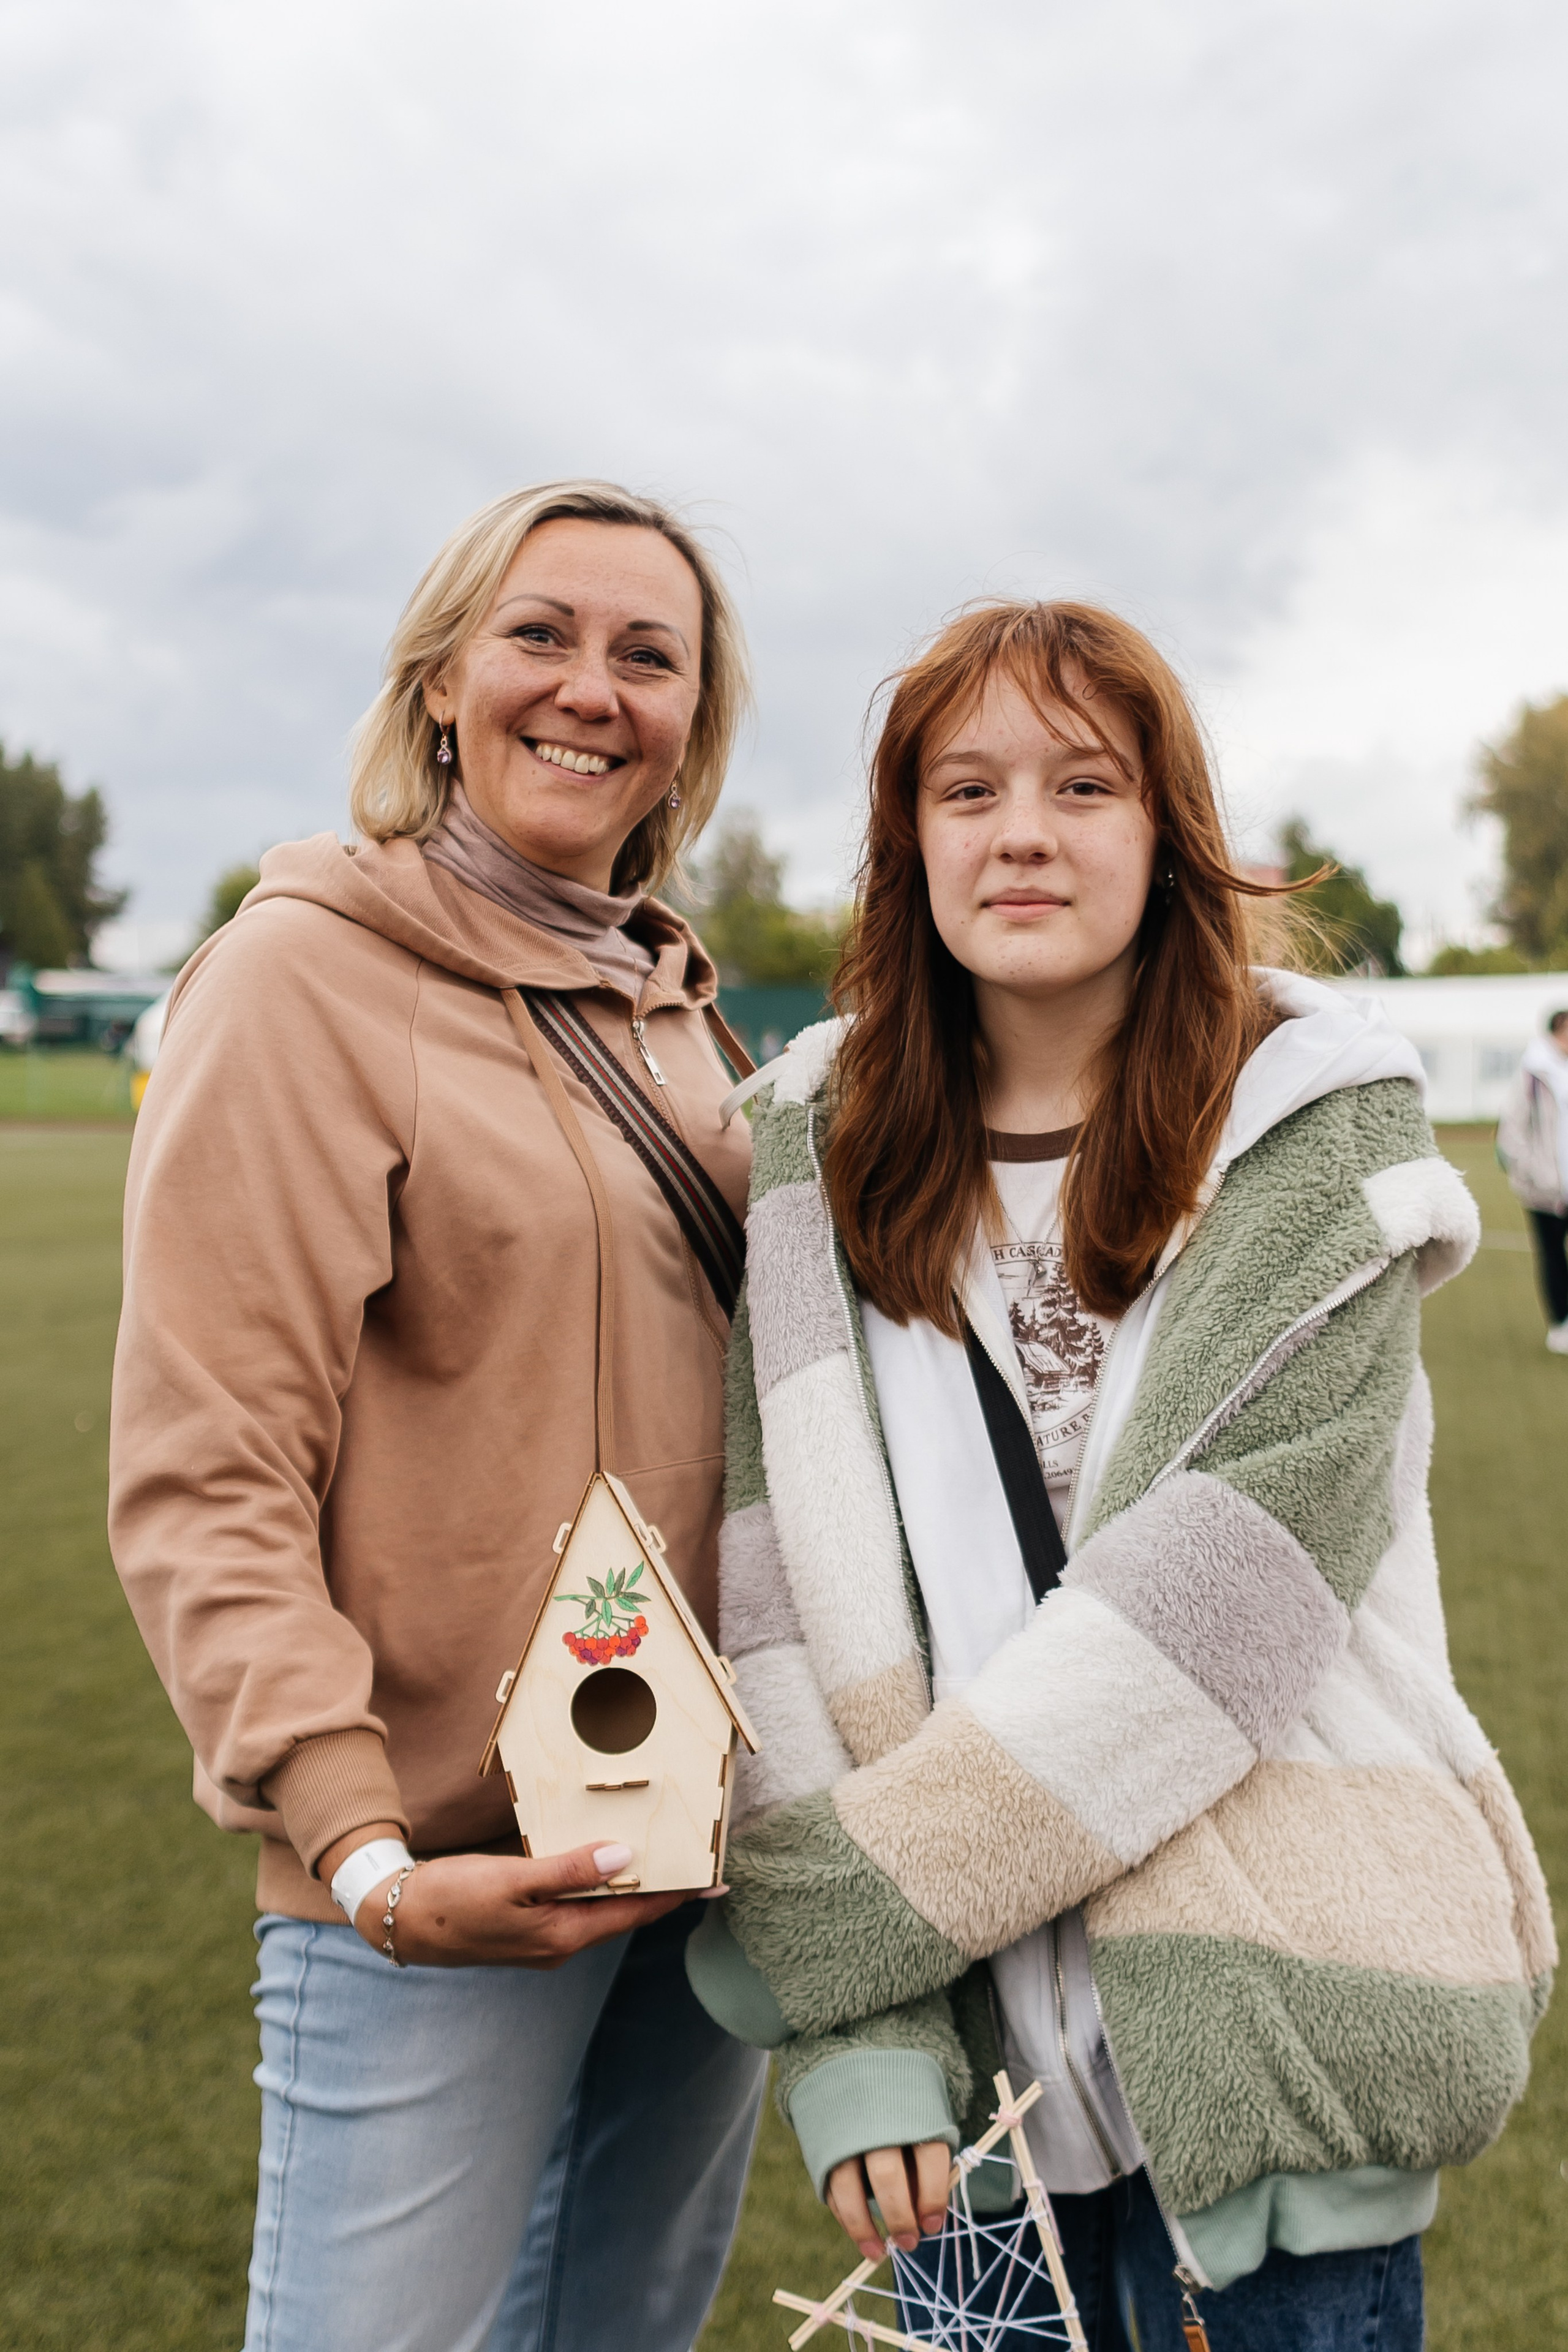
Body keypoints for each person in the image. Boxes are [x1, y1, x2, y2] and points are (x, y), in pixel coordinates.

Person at [685, 601, 1555, 2351]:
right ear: (905, 841)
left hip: (1280, 2044)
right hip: (971, 2121)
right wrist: (863, 2044)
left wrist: (815, 1937)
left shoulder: (1315, 1130)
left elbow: (1208, 1621)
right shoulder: (814, 1165)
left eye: (1086, 783)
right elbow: (770, 1600)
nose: (1022, 830)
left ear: (1167, 834)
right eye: (968, 788)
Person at [109, 480, 768, 2352]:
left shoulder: (680, 1020)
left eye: (650, 654)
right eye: (541, 634)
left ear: (689, 726)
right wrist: (366, 1852)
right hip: (440, 1874)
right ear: (442, 684)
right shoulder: (301, 975)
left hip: (692, 1843)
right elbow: (207, 1467)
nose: (592, 686)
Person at [1497, 1008, 1568, 1352]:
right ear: (1559, 1030)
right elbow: (1512, 1128)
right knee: (1553, 1254)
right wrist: (1532, 1173)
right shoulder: (1534, 1072)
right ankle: (1560, 1324)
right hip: (1546, 1187)